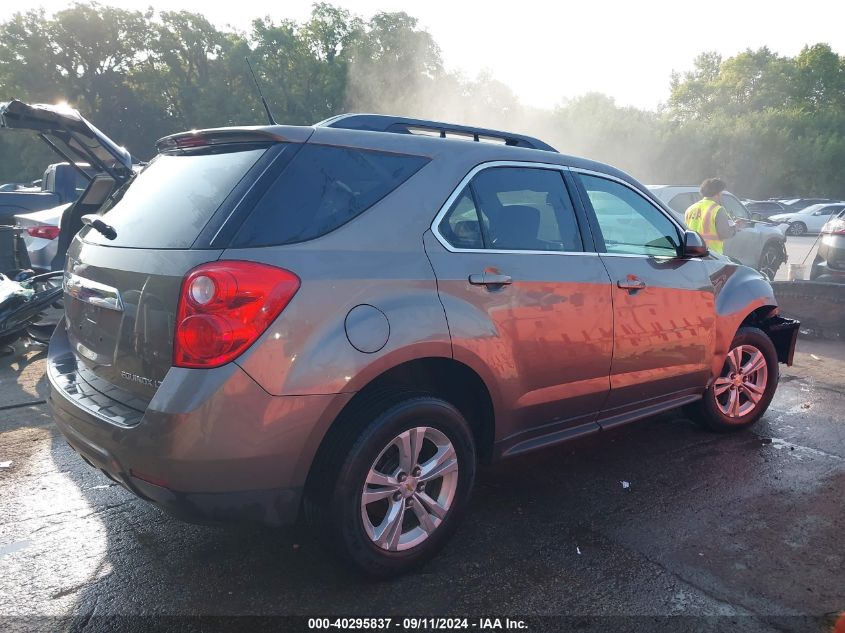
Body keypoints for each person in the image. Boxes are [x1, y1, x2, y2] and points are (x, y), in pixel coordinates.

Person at [684, 178, 737, 254]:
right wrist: (735, 228)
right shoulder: (718, 209)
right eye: (721, 192)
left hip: (691, 252)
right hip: (711, 254)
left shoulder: (690, 209)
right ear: (718, 193)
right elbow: (724, 234)